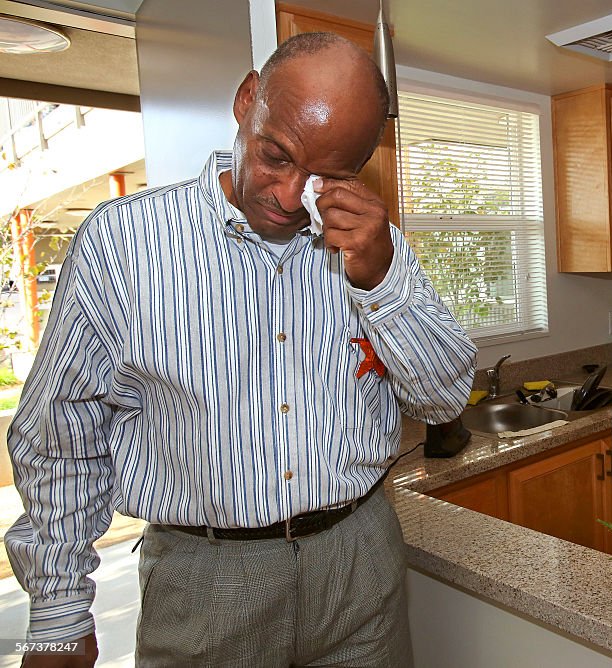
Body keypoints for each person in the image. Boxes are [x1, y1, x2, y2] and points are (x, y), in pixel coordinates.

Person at [4, 32, 476, 667]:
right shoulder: (122, 242)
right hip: (206, 580)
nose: (289, 197)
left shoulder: (374, 244)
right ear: (247, 99)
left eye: (327, 176)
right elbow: (60, 431)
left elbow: (442, 398)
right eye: (276, 156)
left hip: (361, 561)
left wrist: (381, 282)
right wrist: (59, 611)